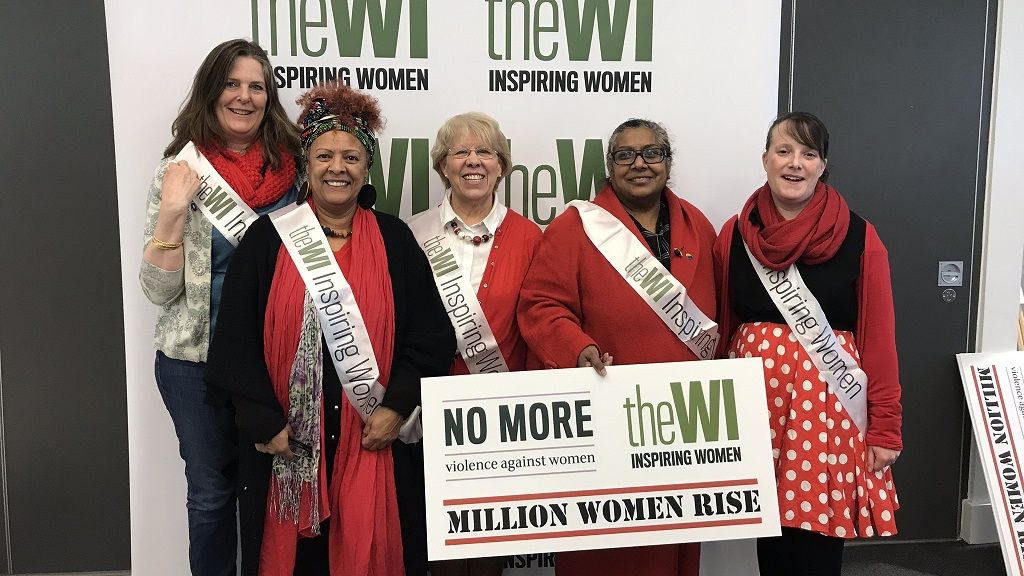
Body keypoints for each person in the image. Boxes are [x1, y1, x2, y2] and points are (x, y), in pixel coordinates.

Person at [204, 80, 455, 576]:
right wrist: (263, 422)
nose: (337, 168)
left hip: (372, 438)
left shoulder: (394, 239)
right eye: (324, 155)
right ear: (306, 164)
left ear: (367, 169)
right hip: (284, 444)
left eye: (351, 157)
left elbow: (430, 337)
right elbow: (234, 342)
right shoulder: (268, 239)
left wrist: (396, 405)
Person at [517, 118, 717, 576]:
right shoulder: (575, 226)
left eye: (652, 153)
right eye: (625, 155)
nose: (640, 164)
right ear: (610, 167)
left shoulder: (698, 225)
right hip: (606, 416)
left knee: (674, 544)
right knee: (605, 552)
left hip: (682, 423)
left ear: (668, 161)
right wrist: (576, 347)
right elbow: (540, 305)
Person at [713, 111, 901, 576]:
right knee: (769, 533)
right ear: (766, 160)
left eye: (808, 153)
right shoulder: (735, 234)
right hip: (756, 401)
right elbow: (720, 324)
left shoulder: (860, 236)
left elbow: (878, 336)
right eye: (784, 151)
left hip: (829, 405)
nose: (795, 163)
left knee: (818, 538)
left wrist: (885, 426)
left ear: (822, 166)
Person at [139, 38, 299, 576]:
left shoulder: (294, 174)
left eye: (257, 86)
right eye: (232, 83)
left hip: (269, 363)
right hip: (194, 364)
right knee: (210, 494)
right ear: (211, 92)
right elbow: (158, 293)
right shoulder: (178, 173)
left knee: (269, 493)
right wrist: (173, 213)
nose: (244, 97)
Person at [406, 112, 542, 576]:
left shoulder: (531, 238)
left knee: (488, 550)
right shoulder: (412, 234)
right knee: (437, 549)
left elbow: (542, 322)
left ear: (502, 165)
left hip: (500, 415)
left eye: (484, 152)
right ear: (443, 166)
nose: (473, 161)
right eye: (459, 152)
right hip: (428, 412)